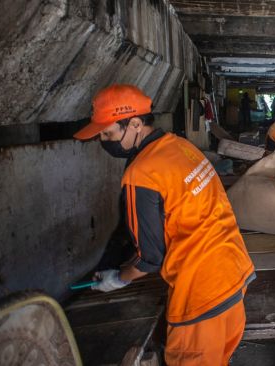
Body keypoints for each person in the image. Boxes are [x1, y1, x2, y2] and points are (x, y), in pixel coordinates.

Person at [73, 84, 255, 365]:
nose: (103, 142)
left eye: (107, 134)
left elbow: (150, 258)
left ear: (134, 123)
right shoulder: (181, 146)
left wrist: (118, 279)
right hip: (234, 274)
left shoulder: (141, 172)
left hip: (201, 294)